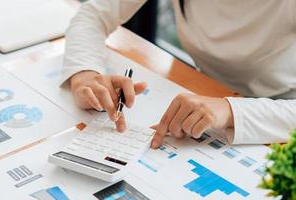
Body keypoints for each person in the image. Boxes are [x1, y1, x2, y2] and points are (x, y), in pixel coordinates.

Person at [60, 0, 296, 148]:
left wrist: (230, 109)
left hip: (279, 113)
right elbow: (93, 15)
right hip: (203, 91)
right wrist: (85, 74)